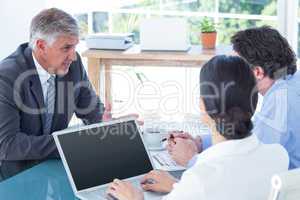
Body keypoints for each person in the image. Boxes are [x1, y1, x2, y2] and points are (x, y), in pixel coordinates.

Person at [105, 55, 289, 200]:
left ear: (202, 105)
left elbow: (207, 186)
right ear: (254, 101)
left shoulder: (200, 178)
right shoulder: (278, 156)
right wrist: (177, 187)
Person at [0, 8, 113, 180]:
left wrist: (108, 125)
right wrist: (71, 143)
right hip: (14, 175)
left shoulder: (72, 66)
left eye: (74, 47)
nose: (73, 56)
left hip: (55, 167)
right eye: (66, 47)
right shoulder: (6, 77)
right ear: (41, 46)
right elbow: (8, 145)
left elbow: (90, 110)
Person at [169, 26, 300, 170]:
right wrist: (200, 142)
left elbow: (246, 163)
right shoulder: (291, 83)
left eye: (237, 68)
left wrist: (191, 159)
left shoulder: (281, 100)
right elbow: (253, 136)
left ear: (257, 72)